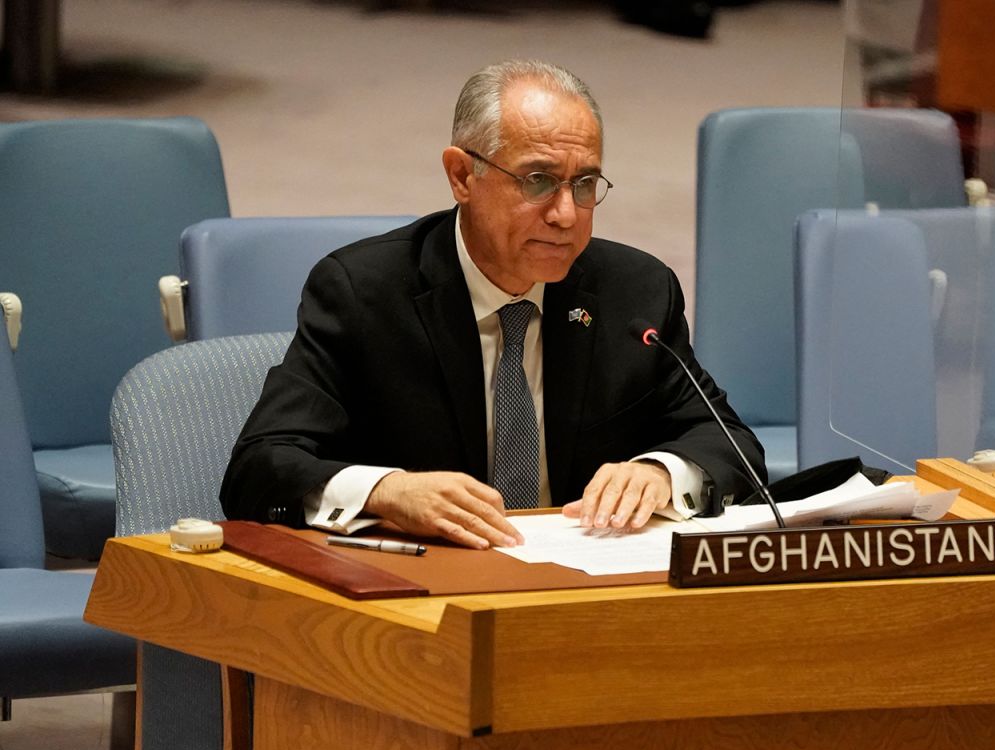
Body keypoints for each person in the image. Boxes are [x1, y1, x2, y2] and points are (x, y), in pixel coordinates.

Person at [220, 58, 764, 549]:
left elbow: (731, 445)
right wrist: (387, 490)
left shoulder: (635, 292)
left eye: (585, 183)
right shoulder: (364, 293)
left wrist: (662, 472)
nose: (566, 215)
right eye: (539, 181)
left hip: (586, 591)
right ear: (462, 175)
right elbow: (260, 467)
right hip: (428, 596)